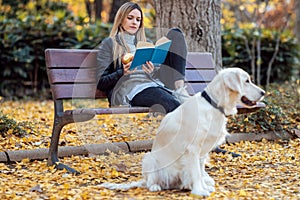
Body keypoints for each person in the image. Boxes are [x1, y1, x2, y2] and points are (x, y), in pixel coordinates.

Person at [96, 2, 189, 114]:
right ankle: (183, 129)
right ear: (121, 19)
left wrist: (152, 71)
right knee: (173, 105)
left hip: (154, 83)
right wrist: (123, 72)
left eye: (138, 20)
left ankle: (180, 89)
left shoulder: (146, 43)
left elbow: (155, 76)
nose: (134, 22)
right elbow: (101, 82)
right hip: (131, 89)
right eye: (130, 18)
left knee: (176, 33)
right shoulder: (109, 44)